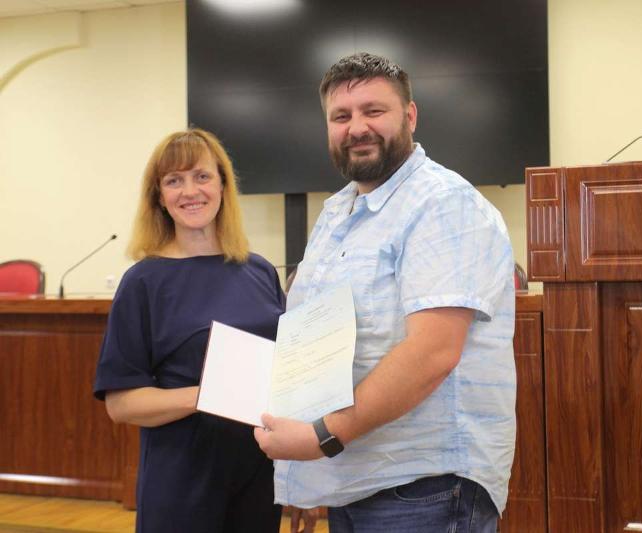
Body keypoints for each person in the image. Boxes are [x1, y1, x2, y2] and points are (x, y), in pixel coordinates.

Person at [254, 53, 516, 532]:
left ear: (410, 116)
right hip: (352, 476)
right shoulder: (337, 213)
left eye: (373, 111)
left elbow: (432, 352)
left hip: (425, 486)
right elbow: (313, 343)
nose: (357, 127)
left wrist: (322, 438)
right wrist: (308, 473)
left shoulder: (443, 203)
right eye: (341, 116)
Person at [93, 129, 309, 532]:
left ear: (223, 186)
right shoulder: (142, 283)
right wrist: (212, 393)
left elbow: (288, 380)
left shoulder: (259, 270)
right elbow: (121, 405)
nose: (190, 191)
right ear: (159, 196)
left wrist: (303, 478)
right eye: (174, 180)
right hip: (182, 482)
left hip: (259, 477)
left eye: (202, 176)